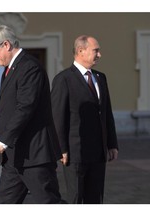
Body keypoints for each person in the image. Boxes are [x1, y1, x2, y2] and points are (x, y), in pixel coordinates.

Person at [0, 25, 64, 204]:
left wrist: (3, 139)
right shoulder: (10, 69)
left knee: (49, 203)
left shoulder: (29, 67)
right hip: (14, 157)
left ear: (6, 45)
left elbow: (25, 107)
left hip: (34, 155)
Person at [51, 35, 119, 204]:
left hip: (98, 152)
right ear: (81, 51)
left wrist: (111, 143)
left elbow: (106, 113)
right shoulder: (64, 79)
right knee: (76, 198)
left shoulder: (100, 78)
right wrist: (61, 149)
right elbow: (57, 116)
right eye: (96, 50)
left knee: (95, 199)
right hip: (75, 154)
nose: (99, 55)